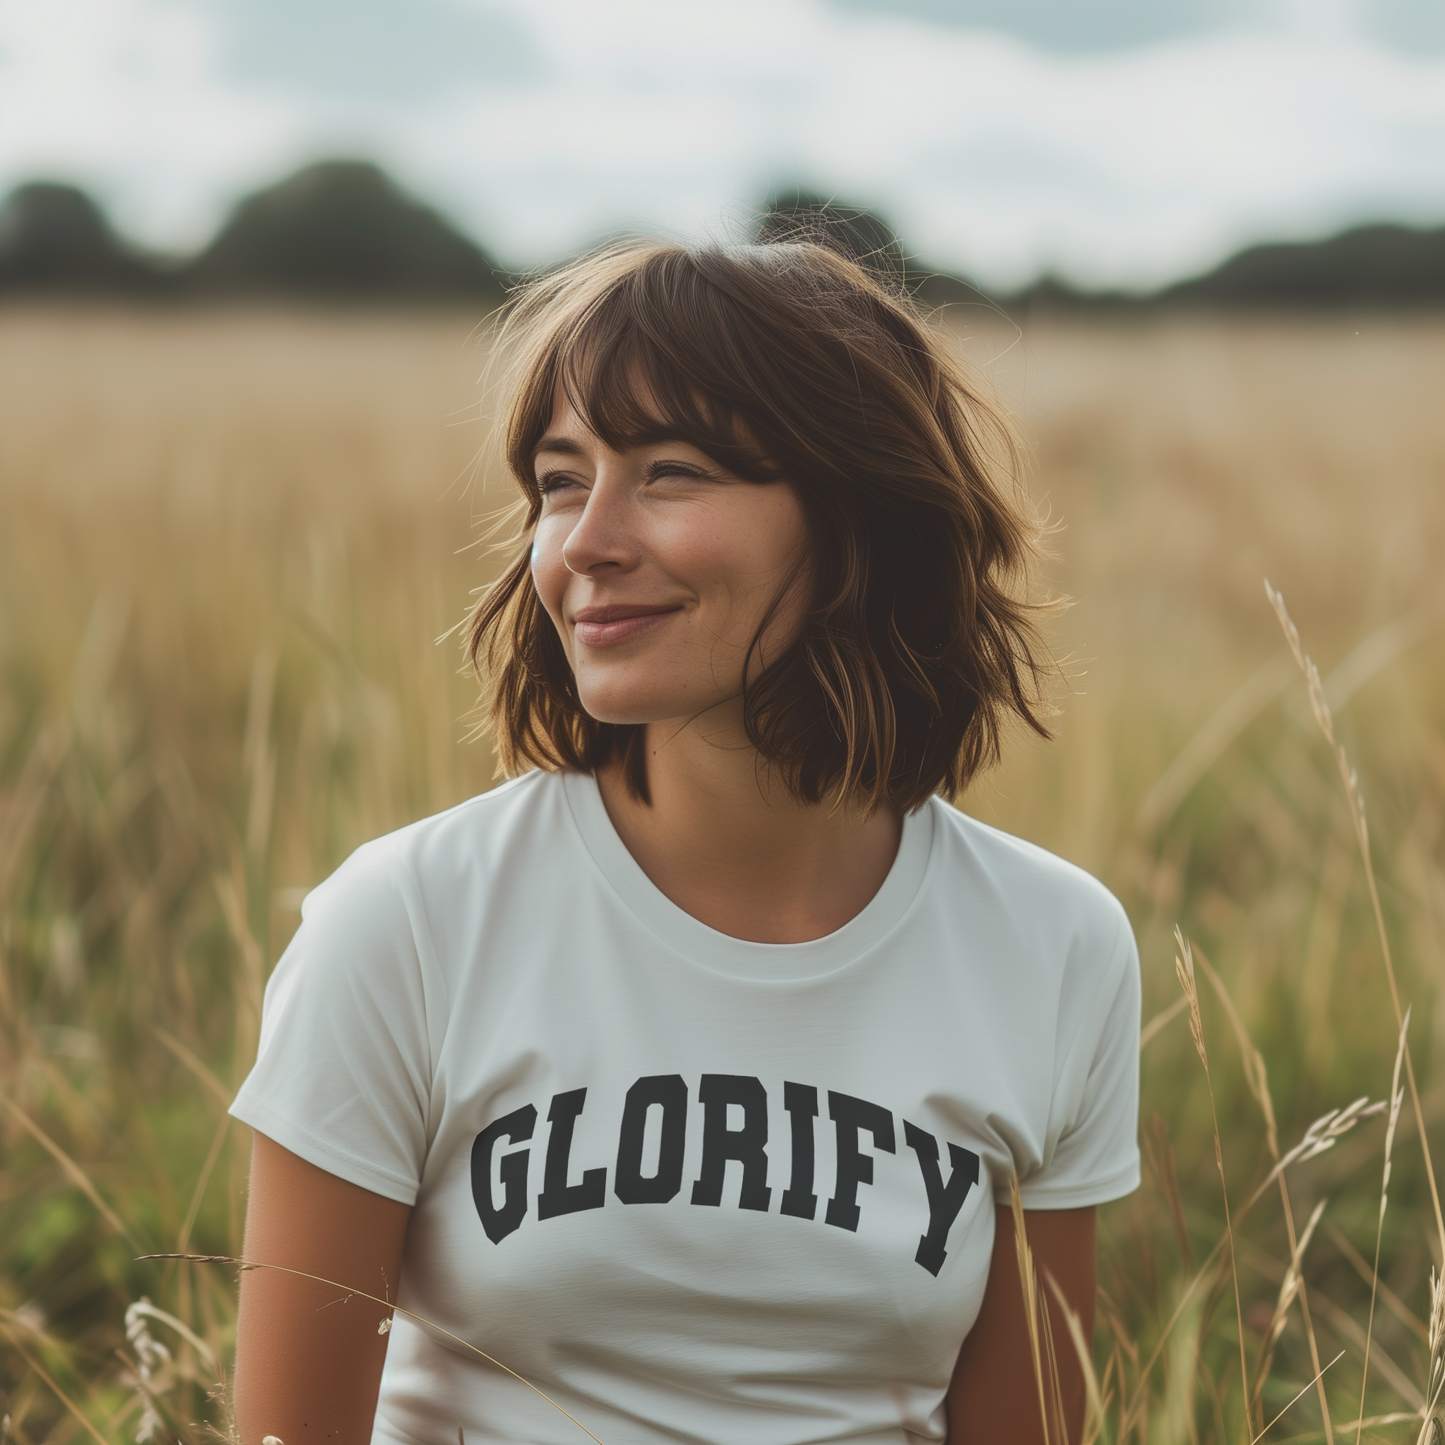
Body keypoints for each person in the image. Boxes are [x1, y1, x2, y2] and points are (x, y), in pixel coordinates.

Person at [229, 236, 1140, 1445]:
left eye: (670, 471)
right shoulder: (407, 920)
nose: (584, 543)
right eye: (560, 481)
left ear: (856, 515)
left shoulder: (1052, 942)